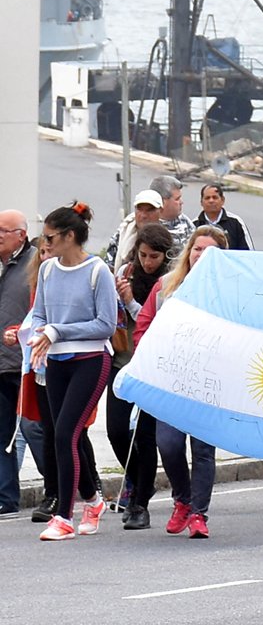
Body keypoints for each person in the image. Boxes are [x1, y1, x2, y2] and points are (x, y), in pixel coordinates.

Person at [133, 226, 228, 539]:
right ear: (189, 251)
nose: (201, 255)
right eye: (198, 248)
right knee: (169, 444)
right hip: (171, 380)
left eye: (210, 250)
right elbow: (143, 328)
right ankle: (182, 500)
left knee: (203, 450)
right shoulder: (166, 287)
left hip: (209, 381)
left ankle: (200, 514)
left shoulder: (229, 292)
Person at [29, 202, 118, 541]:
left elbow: (106, 325)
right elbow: (39, 313)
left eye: (50, 237)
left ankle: (64, 517)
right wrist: (39, 332)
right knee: (68, 435)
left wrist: (58, 331)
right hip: (56, 362)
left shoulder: (98, 271)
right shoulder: (48, 270)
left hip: (91, 361)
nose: (45, 243)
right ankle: (93, 501)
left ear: (69, 236)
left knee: (65, 433)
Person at [108, 222, 173, 530]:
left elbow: (157, 325)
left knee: (145, 436)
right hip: (122, 362)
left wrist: (132, 302)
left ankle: (140, 504)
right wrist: (118, 300)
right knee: (116, 431)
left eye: (154, 257)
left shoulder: (169, 283)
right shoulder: (125, 273)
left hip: (153, 367)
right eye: (144, 255)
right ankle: (137, 479)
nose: (148, 262)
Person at [0, 210, 36, 514]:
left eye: (3, 231)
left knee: (34, 429)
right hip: (1, 364)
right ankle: (6, 498)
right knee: (1, 434)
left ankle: (58, 489)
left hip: (26, 362)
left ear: (21, 235)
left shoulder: (36, 263)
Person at [103, 189, 164, 271]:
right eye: (140, 209)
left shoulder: (167, 238)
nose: (143, 215)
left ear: (161, 211)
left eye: (150, 210)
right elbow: (109, 266)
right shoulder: (122, 235)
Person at [193, 183, 253, 250]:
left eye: (215, 197)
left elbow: (248, 252)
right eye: (207, 198)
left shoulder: (236, 222)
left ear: (222, 200)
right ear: (201, 202)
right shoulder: (194, 225)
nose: (211, 201)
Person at [149, 175, 196, 256]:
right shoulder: (146, 224)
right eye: (177, 199)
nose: (181, 202)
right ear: (161, 201)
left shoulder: (185, 221)